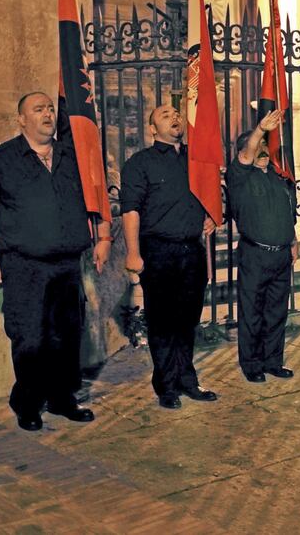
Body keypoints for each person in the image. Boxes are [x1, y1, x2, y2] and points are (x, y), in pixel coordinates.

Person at [0, 92, 110, 432]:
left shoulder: (71, 157)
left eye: (49, 108)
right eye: (38, 109)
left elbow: (98, 198)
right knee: (30, 338)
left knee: (66, 336)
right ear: (21, 119)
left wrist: (104, 238)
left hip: (66, 264)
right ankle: (28, 404)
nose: (47, 114)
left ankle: (62, 400)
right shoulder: (1, 160)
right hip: (23, 266)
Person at [120, 104, 219, 409]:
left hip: (191, 251)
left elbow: (214, 192)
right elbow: (131, 210)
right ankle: (166, 385)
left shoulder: (196, 159)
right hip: (158, 251)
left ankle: (187, 380)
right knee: (162, 322)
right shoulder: (140, 164)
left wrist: (213, 215)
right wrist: (134, 253)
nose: (175, 117)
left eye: (177, 113)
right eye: (165, 115)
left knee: (188, 321)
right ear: (152, 129)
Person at [227, 110, 298, 383]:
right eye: (258, 146)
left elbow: (286, 212)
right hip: (254, 255)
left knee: (276, 312)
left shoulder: (277, 178)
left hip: (280, 255)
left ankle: (273, 361)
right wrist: (259, 130)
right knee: (252, 313)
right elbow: (246, 155)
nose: (263, 151)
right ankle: (252, 364)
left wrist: (293, 241)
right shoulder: (239, 176)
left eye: (265, 146)